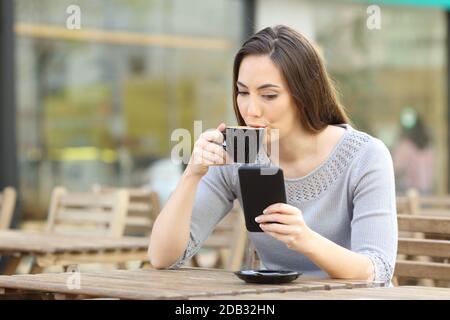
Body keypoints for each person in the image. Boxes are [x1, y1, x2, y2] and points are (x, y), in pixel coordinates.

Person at [149, 25, 397, 284]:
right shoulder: (240, 152)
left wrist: (305, 239)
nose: (250, 110)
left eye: (268, 95)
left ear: (305, 96)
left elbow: (377, 270)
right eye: (243, 92)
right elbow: (162, 258)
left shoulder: (365, 156)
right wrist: (192, 174)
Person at [393, 110, 435, 195]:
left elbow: (396, 169)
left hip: (408, 192)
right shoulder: (429, 146)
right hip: (427, 190)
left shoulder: (405, 145)